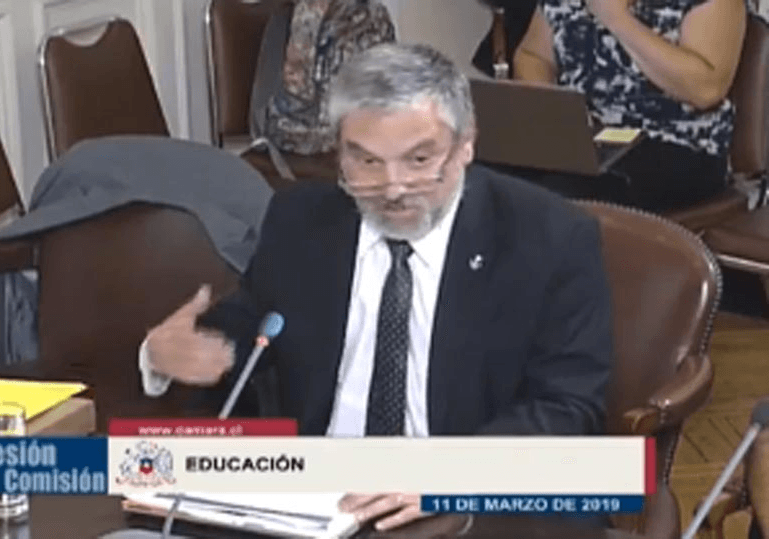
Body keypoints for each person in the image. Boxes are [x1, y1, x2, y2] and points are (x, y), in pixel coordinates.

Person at [139, 43, 613, 530]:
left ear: (465, 144)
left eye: (419, 159)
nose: (393, 189)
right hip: (315, 503)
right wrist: (168, 352)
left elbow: (568, 407)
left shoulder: (548, 238)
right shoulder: (301, 221)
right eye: (366, 161)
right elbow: (249, 331)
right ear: (338, 152)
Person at [505, 0, 747, 214]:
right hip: (586, 138)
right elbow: (533, 56)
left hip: (676, 144)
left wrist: (617, 19)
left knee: (556, 196)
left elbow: (705, 89)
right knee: (493, 179)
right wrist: (554, 116)